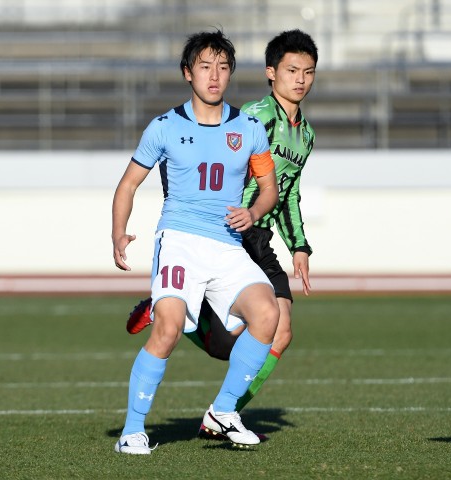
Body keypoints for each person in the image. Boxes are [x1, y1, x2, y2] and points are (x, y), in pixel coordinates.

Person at [126, 29, 318, 430]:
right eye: (292, 70)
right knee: (251, 333)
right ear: (271, 72)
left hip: (257, 232)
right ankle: (172, 313)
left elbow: (287, 190)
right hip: (233, 230)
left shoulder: (305, 133)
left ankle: (223, 411)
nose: (300, 79)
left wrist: (299, 244)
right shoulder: (253, 117)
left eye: (308, 72)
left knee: (275, 334)